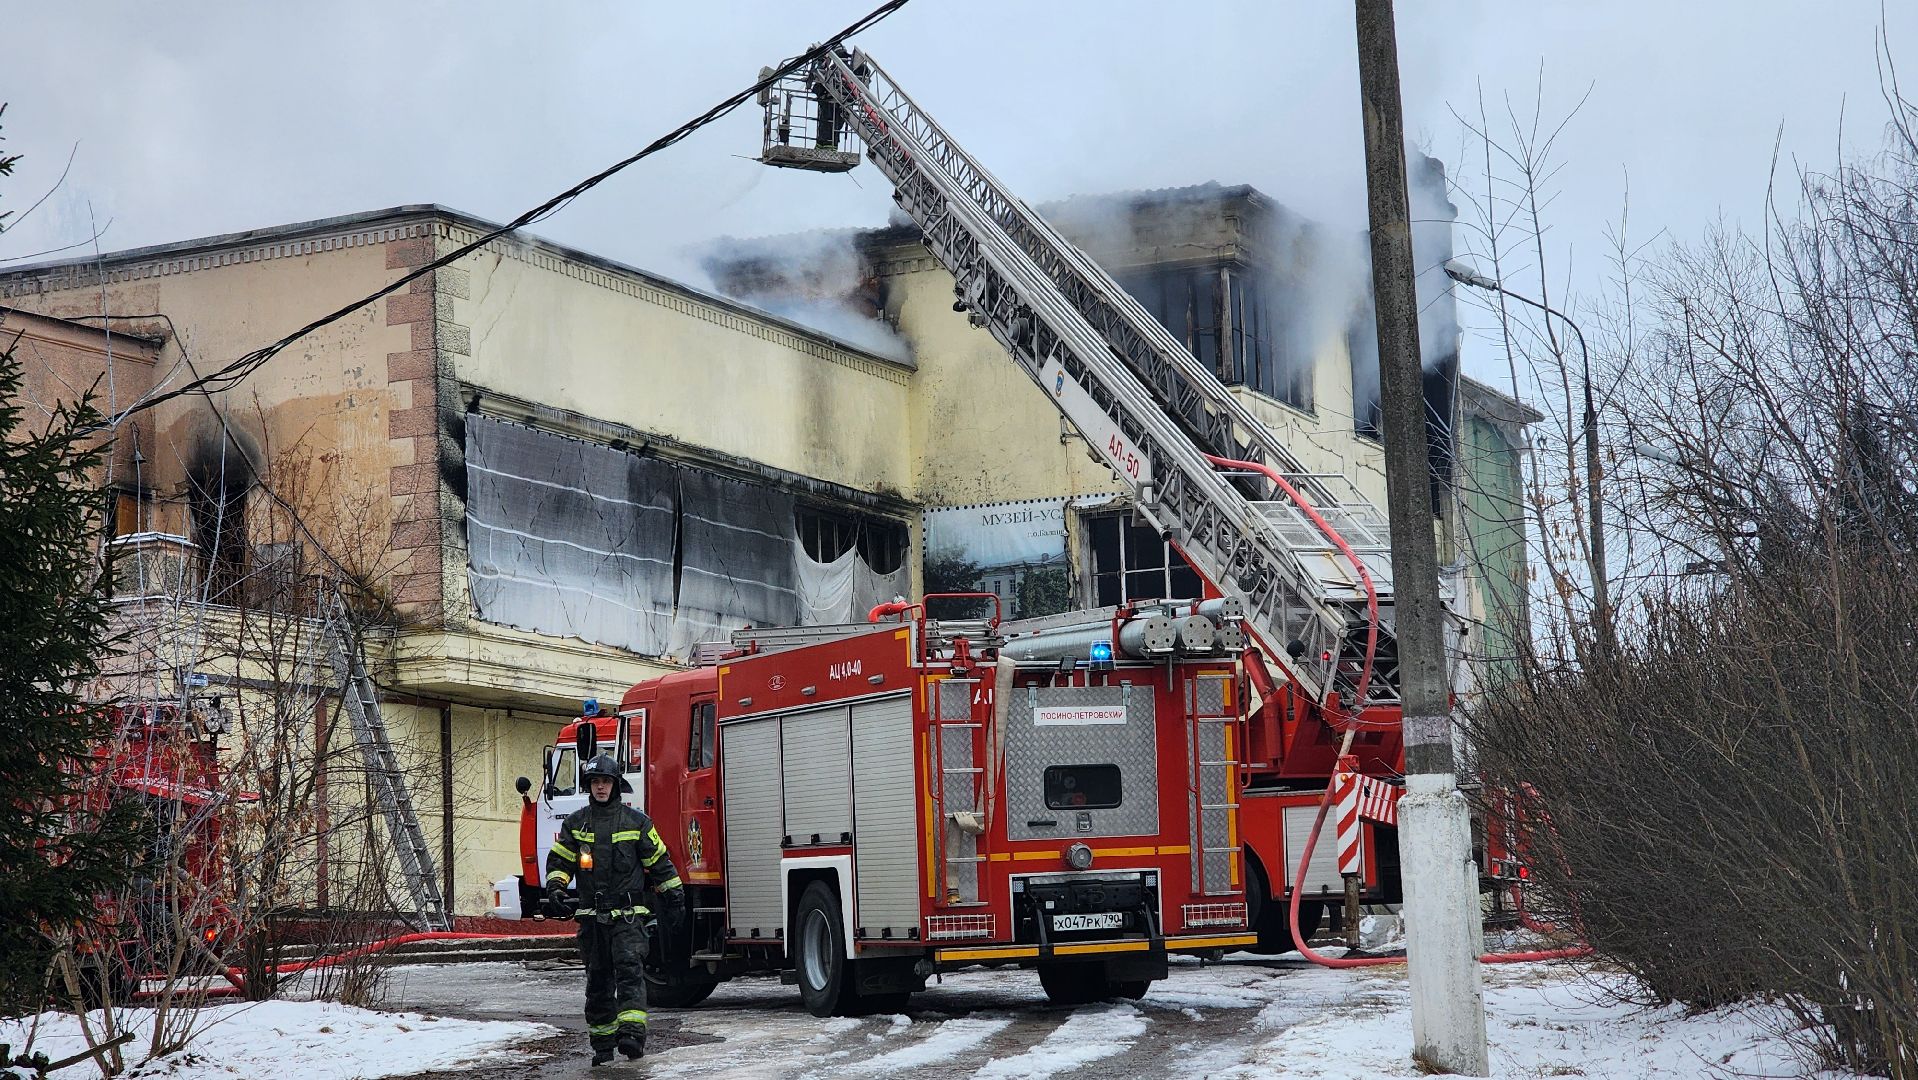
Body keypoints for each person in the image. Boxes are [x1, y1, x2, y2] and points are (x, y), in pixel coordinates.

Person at [545, 754, 685, 1064]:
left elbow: (659, 863)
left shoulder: (637, 823)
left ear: (615, 785)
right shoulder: (576, 823)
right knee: (598, 980)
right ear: (589, 786)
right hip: (592, 920)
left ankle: (632, 1036)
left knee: (630, 973)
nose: (600, 787)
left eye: (605, 781)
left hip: (627, 917)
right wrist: (555, 887)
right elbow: (560, 862)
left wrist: (675, 897)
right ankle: (603, 1045)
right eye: (595, 782)